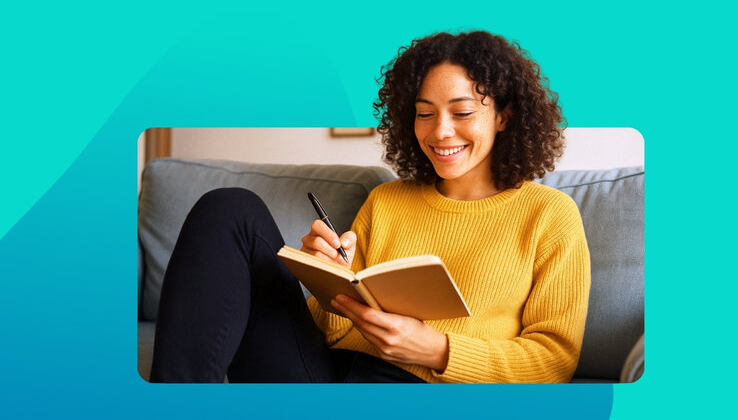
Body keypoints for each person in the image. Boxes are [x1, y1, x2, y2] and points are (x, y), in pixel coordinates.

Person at [150, 30, 590, 383]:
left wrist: (436, 350)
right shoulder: (387, 201)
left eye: (461, 112)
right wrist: (323, 279)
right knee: (229, 208)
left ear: (504, 115)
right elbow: (333, 330)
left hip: (426, 392)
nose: (440, 132)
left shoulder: (549, 215)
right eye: (424, 112)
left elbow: (553, 361)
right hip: (328, 377)